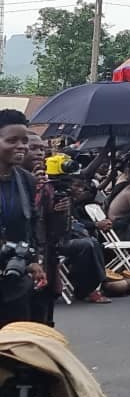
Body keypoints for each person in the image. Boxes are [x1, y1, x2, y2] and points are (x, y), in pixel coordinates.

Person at [0, 110, 48, 327]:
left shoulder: (26, 180)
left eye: (24, 140)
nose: (21, 146)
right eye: (11, 140)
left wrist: (34, 260)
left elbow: (31, 223)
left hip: (15, 274)